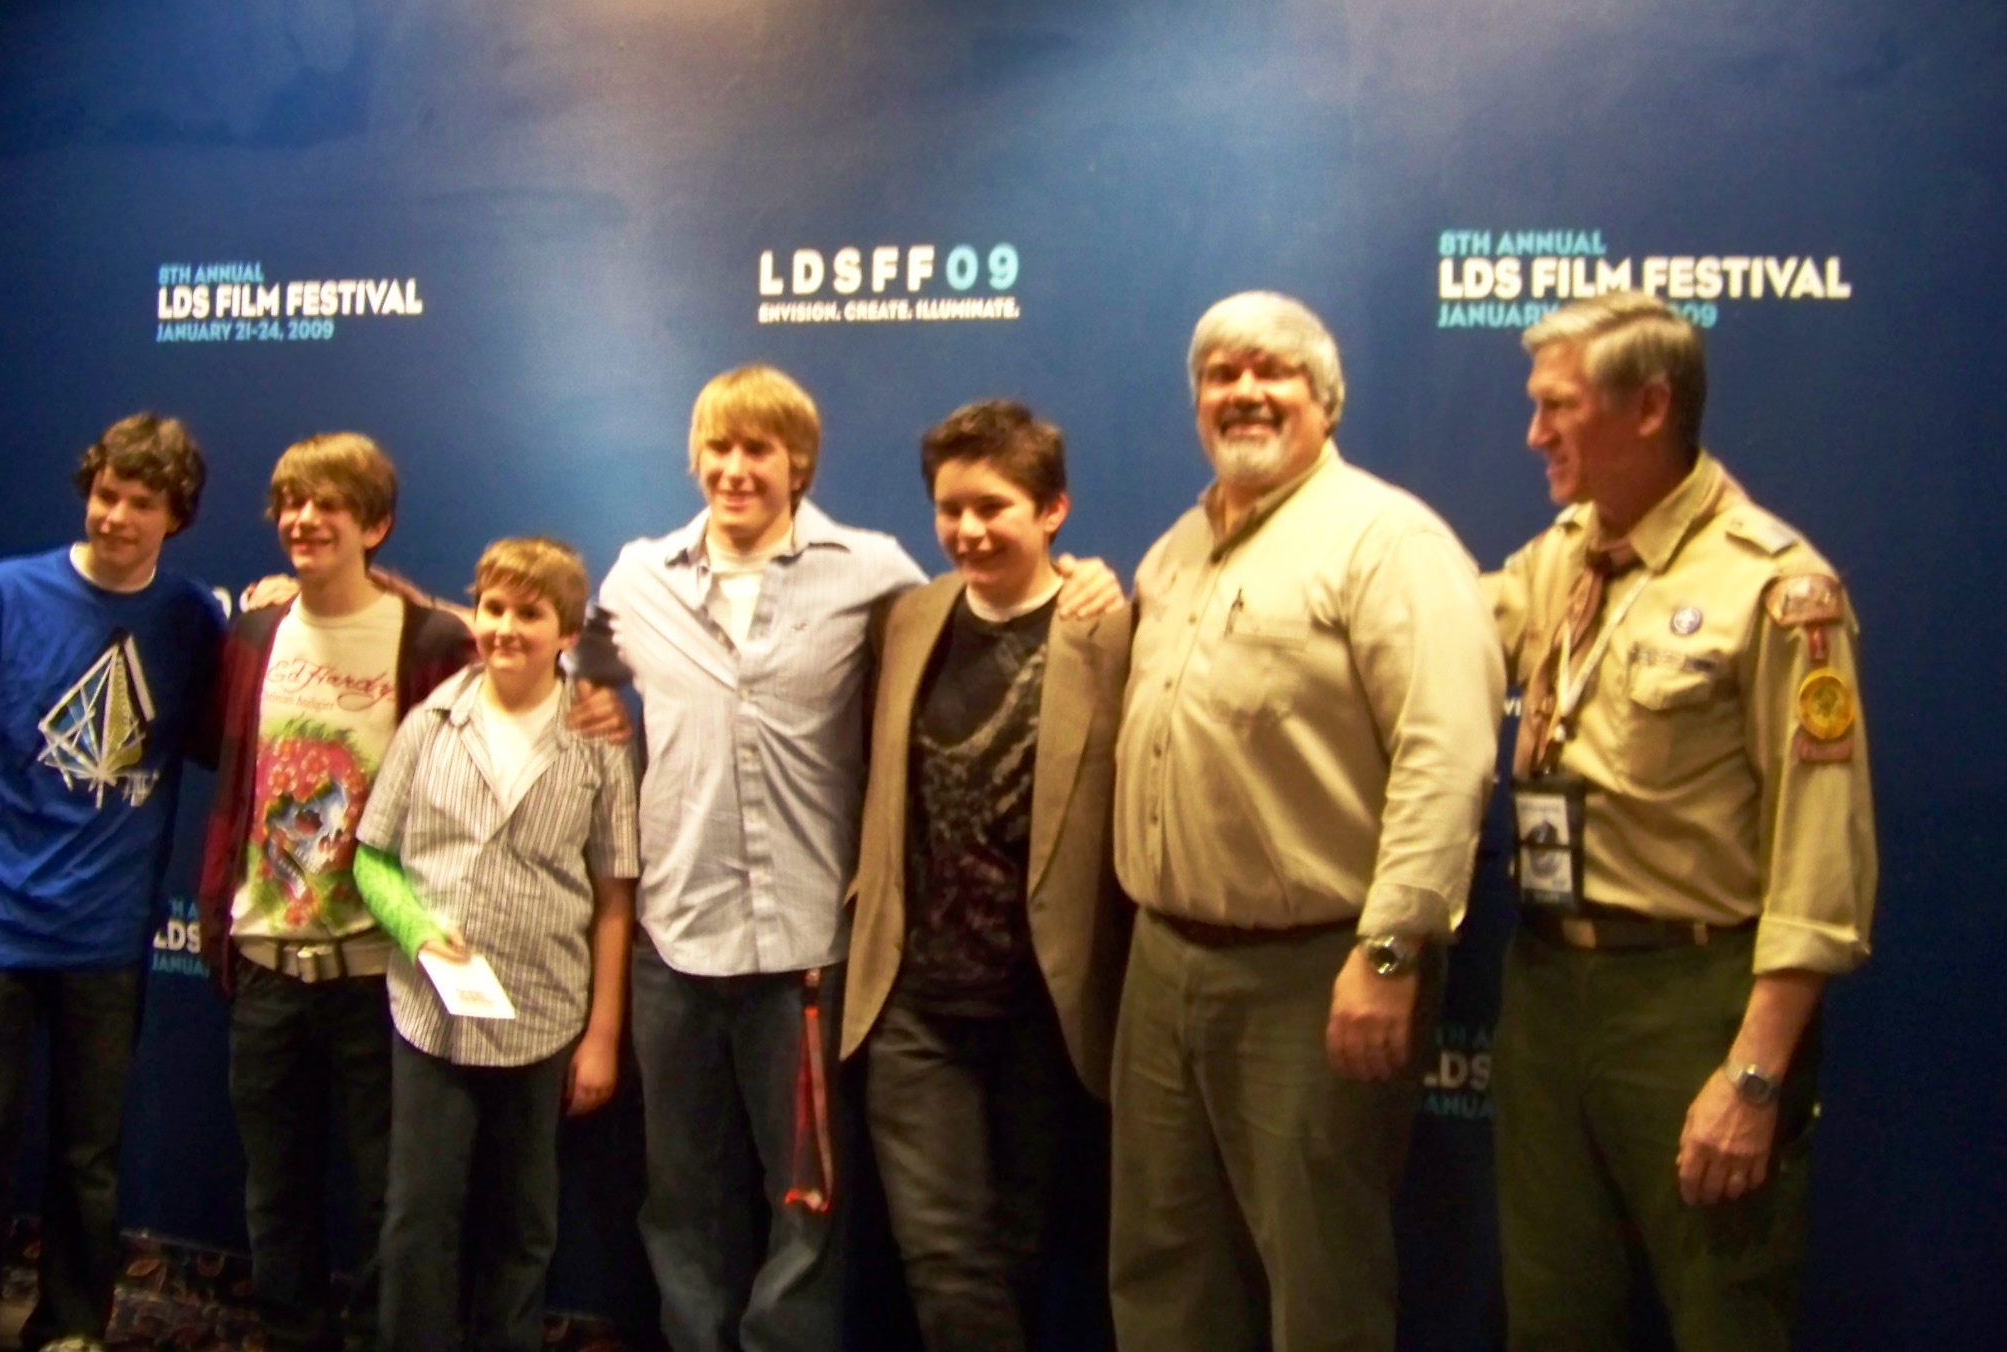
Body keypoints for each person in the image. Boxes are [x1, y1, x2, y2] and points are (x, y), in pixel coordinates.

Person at [571, 365, 1120, 1352]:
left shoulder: (879, 578)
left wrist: (1086, 575)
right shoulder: (633, 580)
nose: (734, 470)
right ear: (694, 457)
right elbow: (571, 664)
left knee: (809, 1212)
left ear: (799, 464)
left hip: (810, 955)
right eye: (718, 448)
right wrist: (591, 696)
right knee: (682, 1204)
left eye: (758, 451)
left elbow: (994, 598)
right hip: (673, 949)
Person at [1109, 291, 1503, 1352]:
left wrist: (1388, 950)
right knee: (1162, 1265)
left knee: (1318, 1279)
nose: (1242, 392)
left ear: (1323, 400)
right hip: (1162, 962)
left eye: (1270, 372)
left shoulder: (1387, 540)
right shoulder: (1172, 553)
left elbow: (1448, 750)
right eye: (1219, 375)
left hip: (1313, 968)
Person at [1488, 290, 1877, 1350]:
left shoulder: (1775, 586)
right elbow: (1426, 644)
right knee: (1549, 1320)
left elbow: (1818, 856)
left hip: (1692, 1002)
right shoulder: (1562, 553)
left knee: (1722, 1320)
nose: (1532, 434)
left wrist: (1751, 1076)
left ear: (1648, 405)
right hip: (1546, 987)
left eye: (1555, 407)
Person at [840, 401, 1131, 1352]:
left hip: (1043, 1011)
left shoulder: (1113, 631)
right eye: (949, 507)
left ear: (1053, 511)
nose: (967, 529)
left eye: (993, 506)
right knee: (942, 1257)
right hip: (916, 1005)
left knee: (1015, 1250)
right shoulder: (909, 619)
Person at [196, 433, 474, 1352]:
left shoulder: (428, 641)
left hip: (376, 974)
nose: (303, 522)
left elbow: (511, 698)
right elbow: (221, 761)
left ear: (376, 525)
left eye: (328, 507)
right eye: (291, 505)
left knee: (388, 1197)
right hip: (267, 962)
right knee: (273, 1191)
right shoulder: (251, 632)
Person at [351, 537, 638, 1352]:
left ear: (566, 631)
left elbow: (615, 896)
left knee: (523, 1226)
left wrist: (604, 1036)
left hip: (543, 1020)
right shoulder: (429, 722)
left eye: (529, 613)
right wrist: (415, 929)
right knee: (419, 1221)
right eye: (492, 608)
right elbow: (373, 858)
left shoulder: (599, 740)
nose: (505, 627)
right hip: (431, 1019)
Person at [0, 414, 222, 1352]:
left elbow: (213, 736)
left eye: (141, 502)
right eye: (106, 493)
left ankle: (72, 1326)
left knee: (87, 1154)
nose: (116, 515)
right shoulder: (5, 592)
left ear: (175, 517)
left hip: (108, 931)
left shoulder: (191, 618)